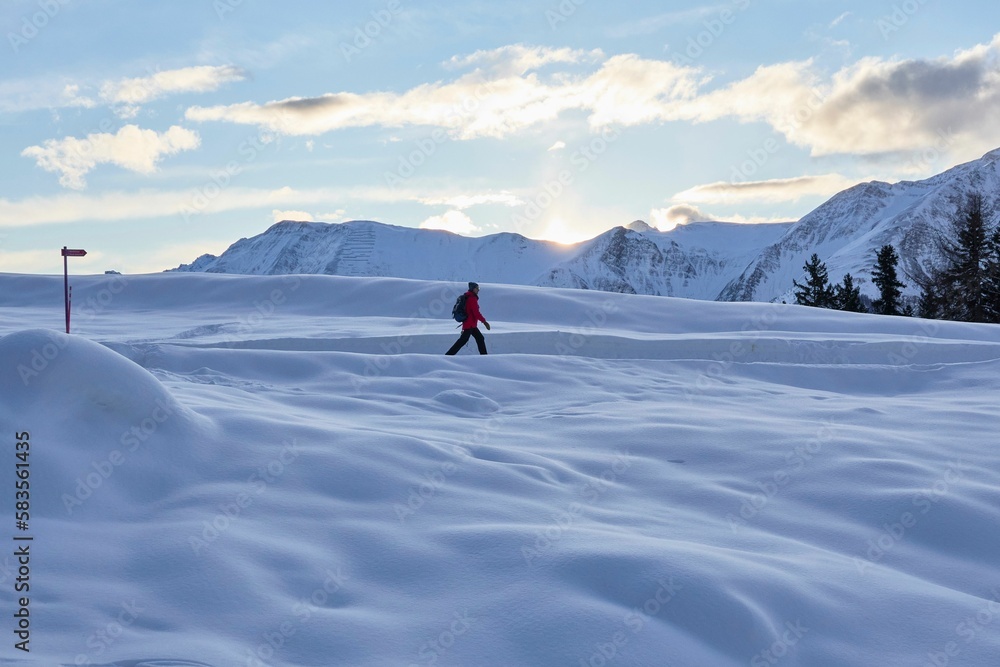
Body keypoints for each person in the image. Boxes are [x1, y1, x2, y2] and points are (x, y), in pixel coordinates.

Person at [446, 282, 491, 355]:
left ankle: (484, 355)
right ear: (473, 289)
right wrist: (484, 322)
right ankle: (448, 355)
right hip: (470, 324)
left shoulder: (469, 297)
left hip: (470, 324)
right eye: (477, 288)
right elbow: (476, 313)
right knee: (463, 341)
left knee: (479, 338)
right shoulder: (472, 299)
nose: (478, 290)